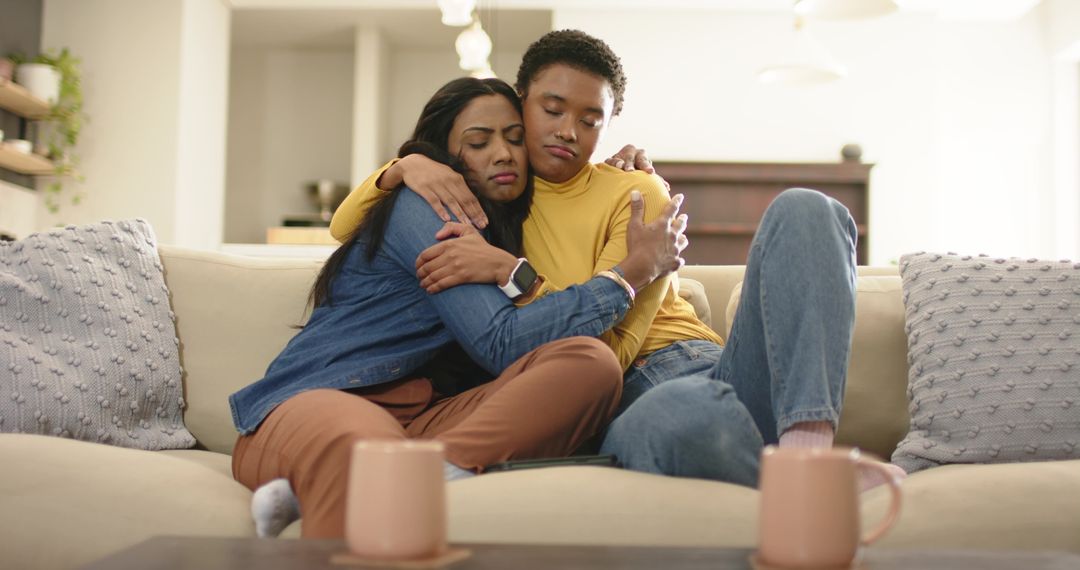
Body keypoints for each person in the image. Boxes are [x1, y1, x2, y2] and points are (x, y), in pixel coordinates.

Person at [332, 30, 907, 489]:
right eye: (552, 110)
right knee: (680, 418)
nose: (568, 132)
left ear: (608, 125)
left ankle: (809, 456)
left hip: (703, 367)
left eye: (590, 119)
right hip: (633, 409)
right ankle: (779, 482)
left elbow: (615, 346)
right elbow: (343, 227)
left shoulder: (635, 193)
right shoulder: (488, 202)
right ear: (520, 103)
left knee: (808, 209)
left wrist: (515, 276)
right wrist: (403, 168)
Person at [229, 77, 687, 539]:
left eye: (513, 138)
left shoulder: (507, 224)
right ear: (445, 155)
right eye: (478, 142)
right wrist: (629, 275)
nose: (503, 154)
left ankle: (396, 482)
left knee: (591, 363)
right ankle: (370, 489)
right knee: (364, 447)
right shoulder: (425, 204)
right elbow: (500, 341)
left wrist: (626, 172)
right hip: (323, 399)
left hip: (425, 418)